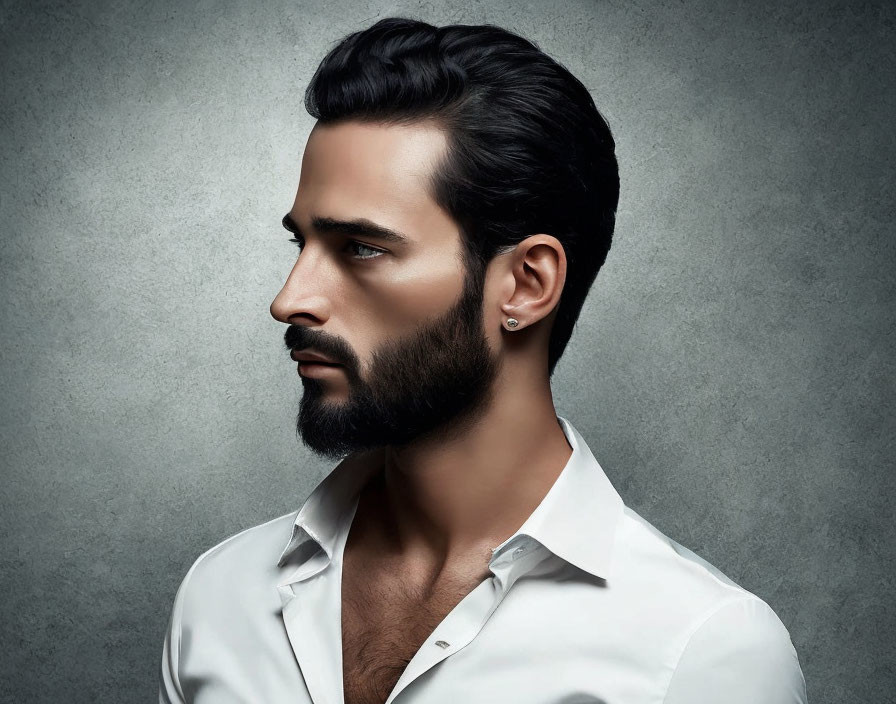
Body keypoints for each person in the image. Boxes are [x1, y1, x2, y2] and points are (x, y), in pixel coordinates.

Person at [159, 17, 807, 704]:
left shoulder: (701, 653)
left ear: (526, 284)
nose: (290, 300)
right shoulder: (221, 597)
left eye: (362, 248)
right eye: (303, 246)